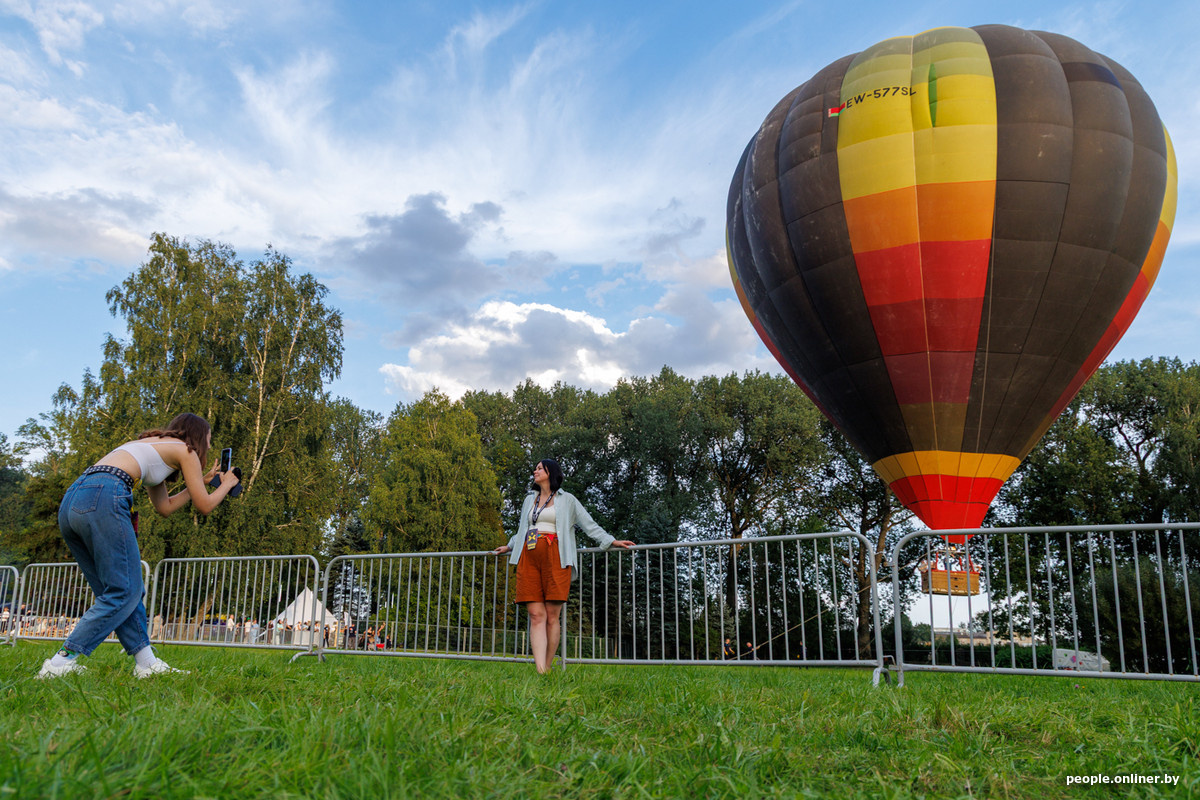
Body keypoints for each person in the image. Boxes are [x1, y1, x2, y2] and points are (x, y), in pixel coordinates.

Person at [37, 412, 239, 679]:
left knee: (121, 592)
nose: (210, 447)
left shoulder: (152, 446)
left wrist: (197, 483)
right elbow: (205, 506)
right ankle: (61, 661)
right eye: (209, 440)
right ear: (199, 437)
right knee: (125, 591)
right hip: (107, 493)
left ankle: (146, 663)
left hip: (75, 499)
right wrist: (226, 485)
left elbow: (164, 508)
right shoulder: (186, 450)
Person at [493, 458, 634, 674]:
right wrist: (509, 546)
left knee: (551, 616)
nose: (535, 471)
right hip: (528, 558)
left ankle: (548, 667)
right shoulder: (529, 499)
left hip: (556, 558)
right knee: (535, 615)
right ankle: (540, 670)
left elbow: (589, 524)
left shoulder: (567, 500)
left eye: (540, 468)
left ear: (551, 472)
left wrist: (610, 541)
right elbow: (524, 529)